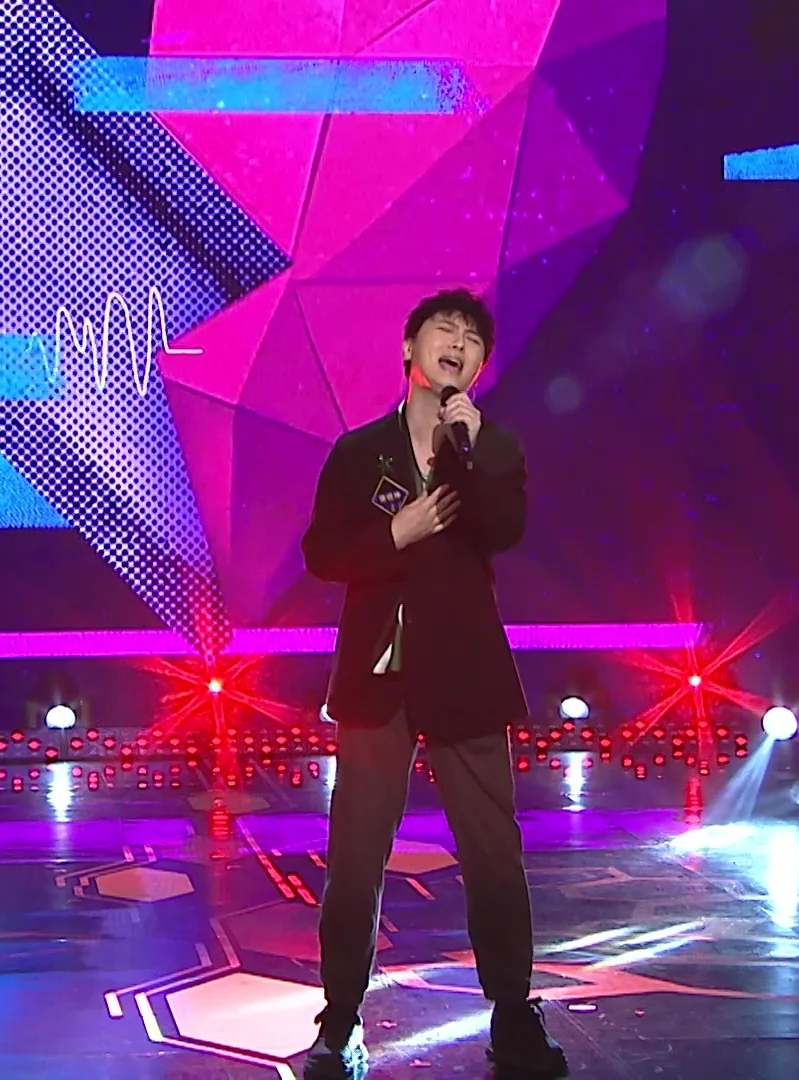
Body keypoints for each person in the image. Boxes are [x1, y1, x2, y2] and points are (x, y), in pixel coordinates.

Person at [298, 289, 567, 1079]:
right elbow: (322, 552)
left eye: (473, 338)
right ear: (409, 349)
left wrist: (470, 452)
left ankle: (512, 1012)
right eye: (445, 330)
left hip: (465, 676)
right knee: (356, 858)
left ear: (480, 365)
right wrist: (397, 531)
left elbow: (503, 528)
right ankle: (340, 1017)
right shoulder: (358, 452)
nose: (459, 343)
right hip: (377, 680)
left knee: (493, 853)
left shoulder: (493, 447)